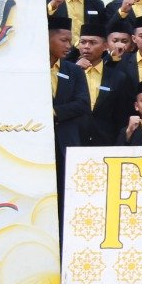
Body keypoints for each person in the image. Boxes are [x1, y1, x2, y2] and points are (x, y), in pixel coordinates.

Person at [49, 15, 89, 218]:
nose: (69, 46)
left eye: (70, 41)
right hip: (37, 144)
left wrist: (54, 112)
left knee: (66, 196)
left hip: (66, 142)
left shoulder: (73, 71)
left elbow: (83, 104)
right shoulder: (31, 71)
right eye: (63, 40)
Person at [74, 19, 131, 147]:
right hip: (74, 139)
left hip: (105, 141)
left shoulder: (118, 78)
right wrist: (74, 71)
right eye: (83, 42)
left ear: (105, 46)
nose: (86, 46)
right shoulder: (69, 73)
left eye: (93, 42)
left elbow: (121, 117)